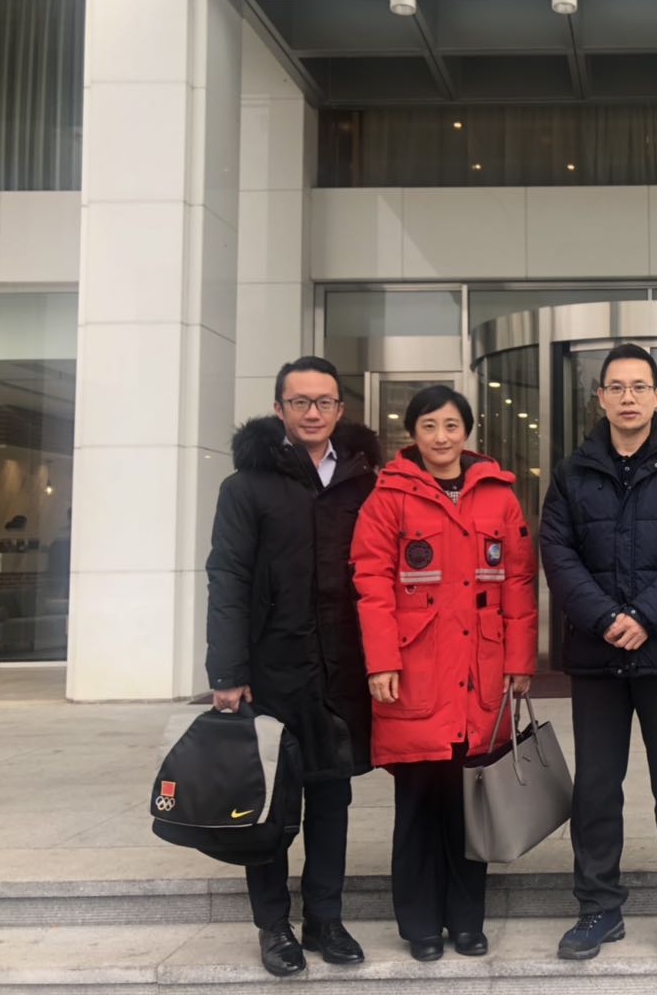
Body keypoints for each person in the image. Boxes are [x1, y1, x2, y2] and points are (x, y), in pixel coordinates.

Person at [540, 343, 657, 964]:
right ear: (599, 397)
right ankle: (598, 908)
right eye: (615, 387)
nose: (627, 398)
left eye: (638, 387)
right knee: (595, 789)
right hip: (597, 658)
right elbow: (558, 555)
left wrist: (645, 616)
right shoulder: (571, 472)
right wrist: (605, 618)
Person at [350, 385, 537, 962]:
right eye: (429, 426)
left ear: (467, 432)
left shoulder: (498, 495)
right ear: (413, 433)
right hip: (415, 675)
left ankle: (467, 920)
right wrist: (382, 660)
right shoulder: (388, 496)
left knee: (470, 807)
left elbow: (518, 583)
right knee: (417, 807)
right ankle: (421, 925)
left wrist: (519, 662)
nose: (441, 437)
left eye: (451, 425)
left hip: (480, 675)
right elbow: (371, 582)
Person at [205, 356, 379, 978]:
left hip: (342, 667)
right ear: (278, 409)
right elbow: (227, 578)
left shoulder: (362, 483)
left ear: (340, 409)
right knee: (271, 804)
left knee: (333, 797)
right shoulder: (246, 487)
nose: (312, 412)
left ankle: (325, 918)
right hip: (271, 667)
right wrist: (227, 671)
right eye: (300, 402)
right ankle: (273, 925)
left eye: (324, 402)